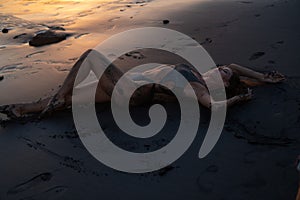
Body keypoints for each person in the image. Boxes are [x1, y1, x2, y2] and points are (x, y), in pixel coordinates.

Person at [0, 49, 285, 119]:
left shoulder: (198, 88)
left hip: (132, 92)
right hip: (125, 86)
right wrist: (262, 77)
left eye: (222, 72)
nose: (221, 67)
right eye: (220, 67)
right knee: (72, 98)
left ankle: (54, 99)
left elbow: (213, 106)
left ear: (222, 83)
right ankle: (20, 110)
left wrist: (239, 99)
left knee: (91, 56)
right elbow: (235, 67)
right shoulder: (201, 75)